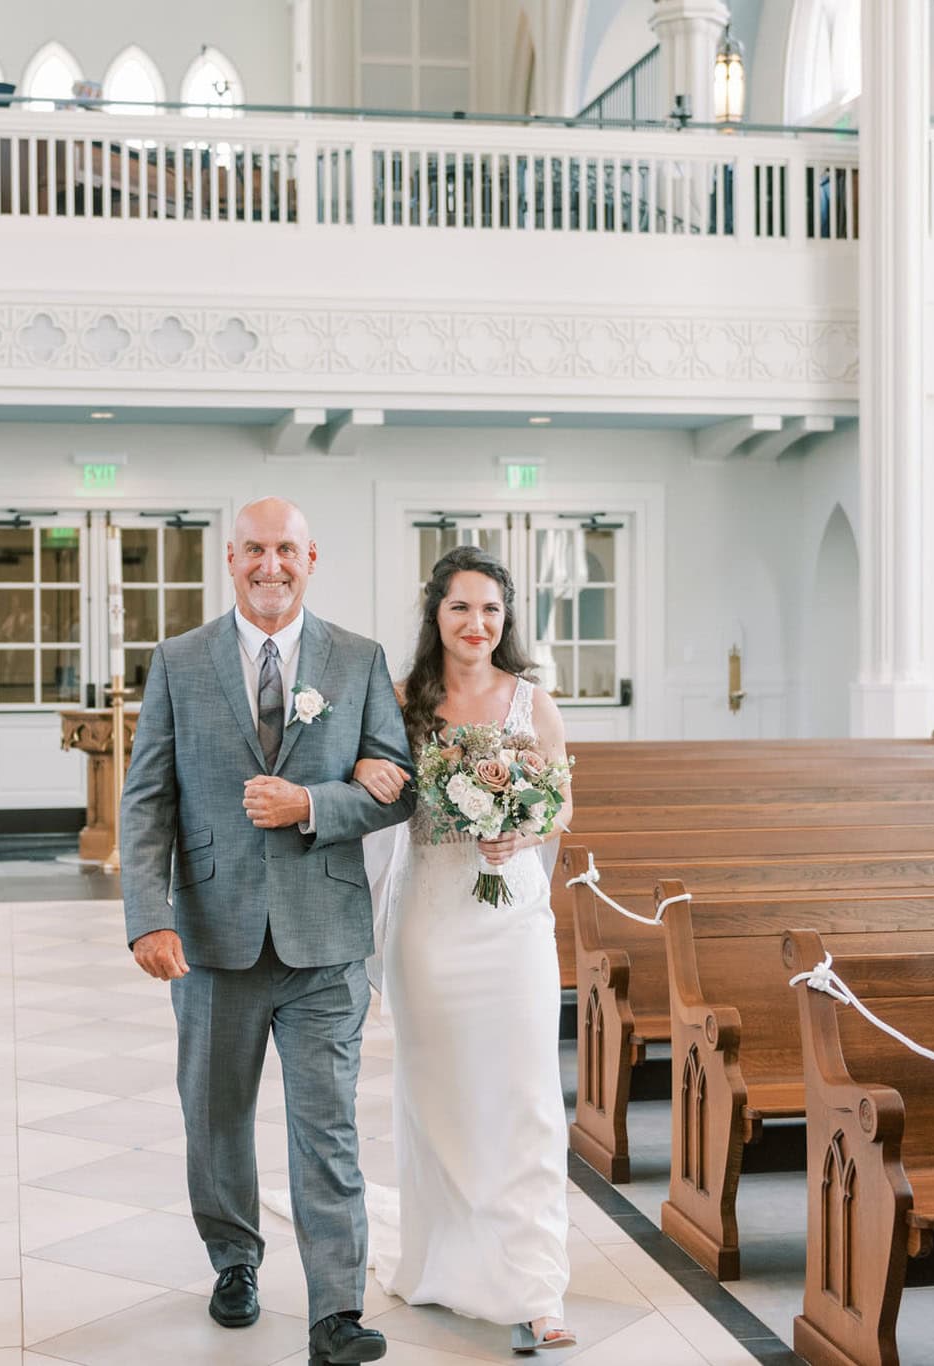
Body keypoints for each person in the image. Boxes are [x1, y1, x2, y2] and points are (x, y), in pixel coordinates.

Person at [121, 496, 415, 1366]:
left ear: (311, 558)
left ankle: (337, 1311)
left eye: (286, 548)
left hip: (325, 937)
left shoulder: (358, 659)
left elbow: (398, 784)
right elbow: (147, 800)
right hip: (214, 935)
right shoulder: (178, 661)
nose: (270, 564)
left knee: (327, 1129)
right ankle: (234, 1260)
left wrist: (312, 804)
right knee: (216, 1118)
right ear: (231, 559)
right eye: (254, 549)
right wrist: (148, 917)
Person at [361, 543, 577, 1353]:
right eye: (460, 607)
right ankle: (446, 1261)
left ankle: (536, 1288)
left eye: (490, 608)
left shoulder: (533, 703)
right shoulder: (400, 702)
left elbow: (560, 806)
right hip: (430, 924)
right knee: (439, 1097)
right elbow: (375, 788)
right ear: (436, 614)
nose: (476, 623)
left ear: (506, 617)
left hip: (511, 923)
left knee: (525, 1096)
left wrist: (521, 829)